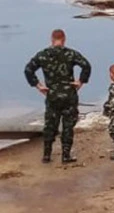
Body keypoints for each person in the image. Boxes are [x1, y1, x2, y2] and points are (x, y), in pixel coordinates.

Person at [24, 29, 91, 164]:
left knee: (50, 124)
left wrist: (38, 85)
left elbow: (28, 69)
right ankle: (65, 155)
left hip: (52, 93)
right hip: (69, 94)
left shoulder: (43, 55)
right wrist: (80, 82)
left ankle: (47, 155)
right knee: (68, 125)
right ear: (64, 39)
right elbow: (86, 65)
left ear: (51, 39)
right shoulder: (70, 53)